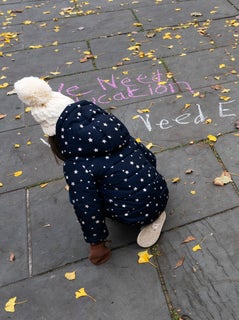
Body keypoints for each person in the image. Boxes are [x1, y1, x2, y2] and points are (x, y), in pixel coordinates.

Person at [11, 76, 169, 265]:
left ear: (56, 138)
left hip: (135, 213)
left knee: (84, 193)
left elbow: (88, 208)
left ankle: (145, 216)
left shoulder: (77, 165)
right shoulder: (117, 132)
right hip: (160, 192)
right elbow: (150, 158)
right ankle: (150, 206)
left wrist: (97, 245)